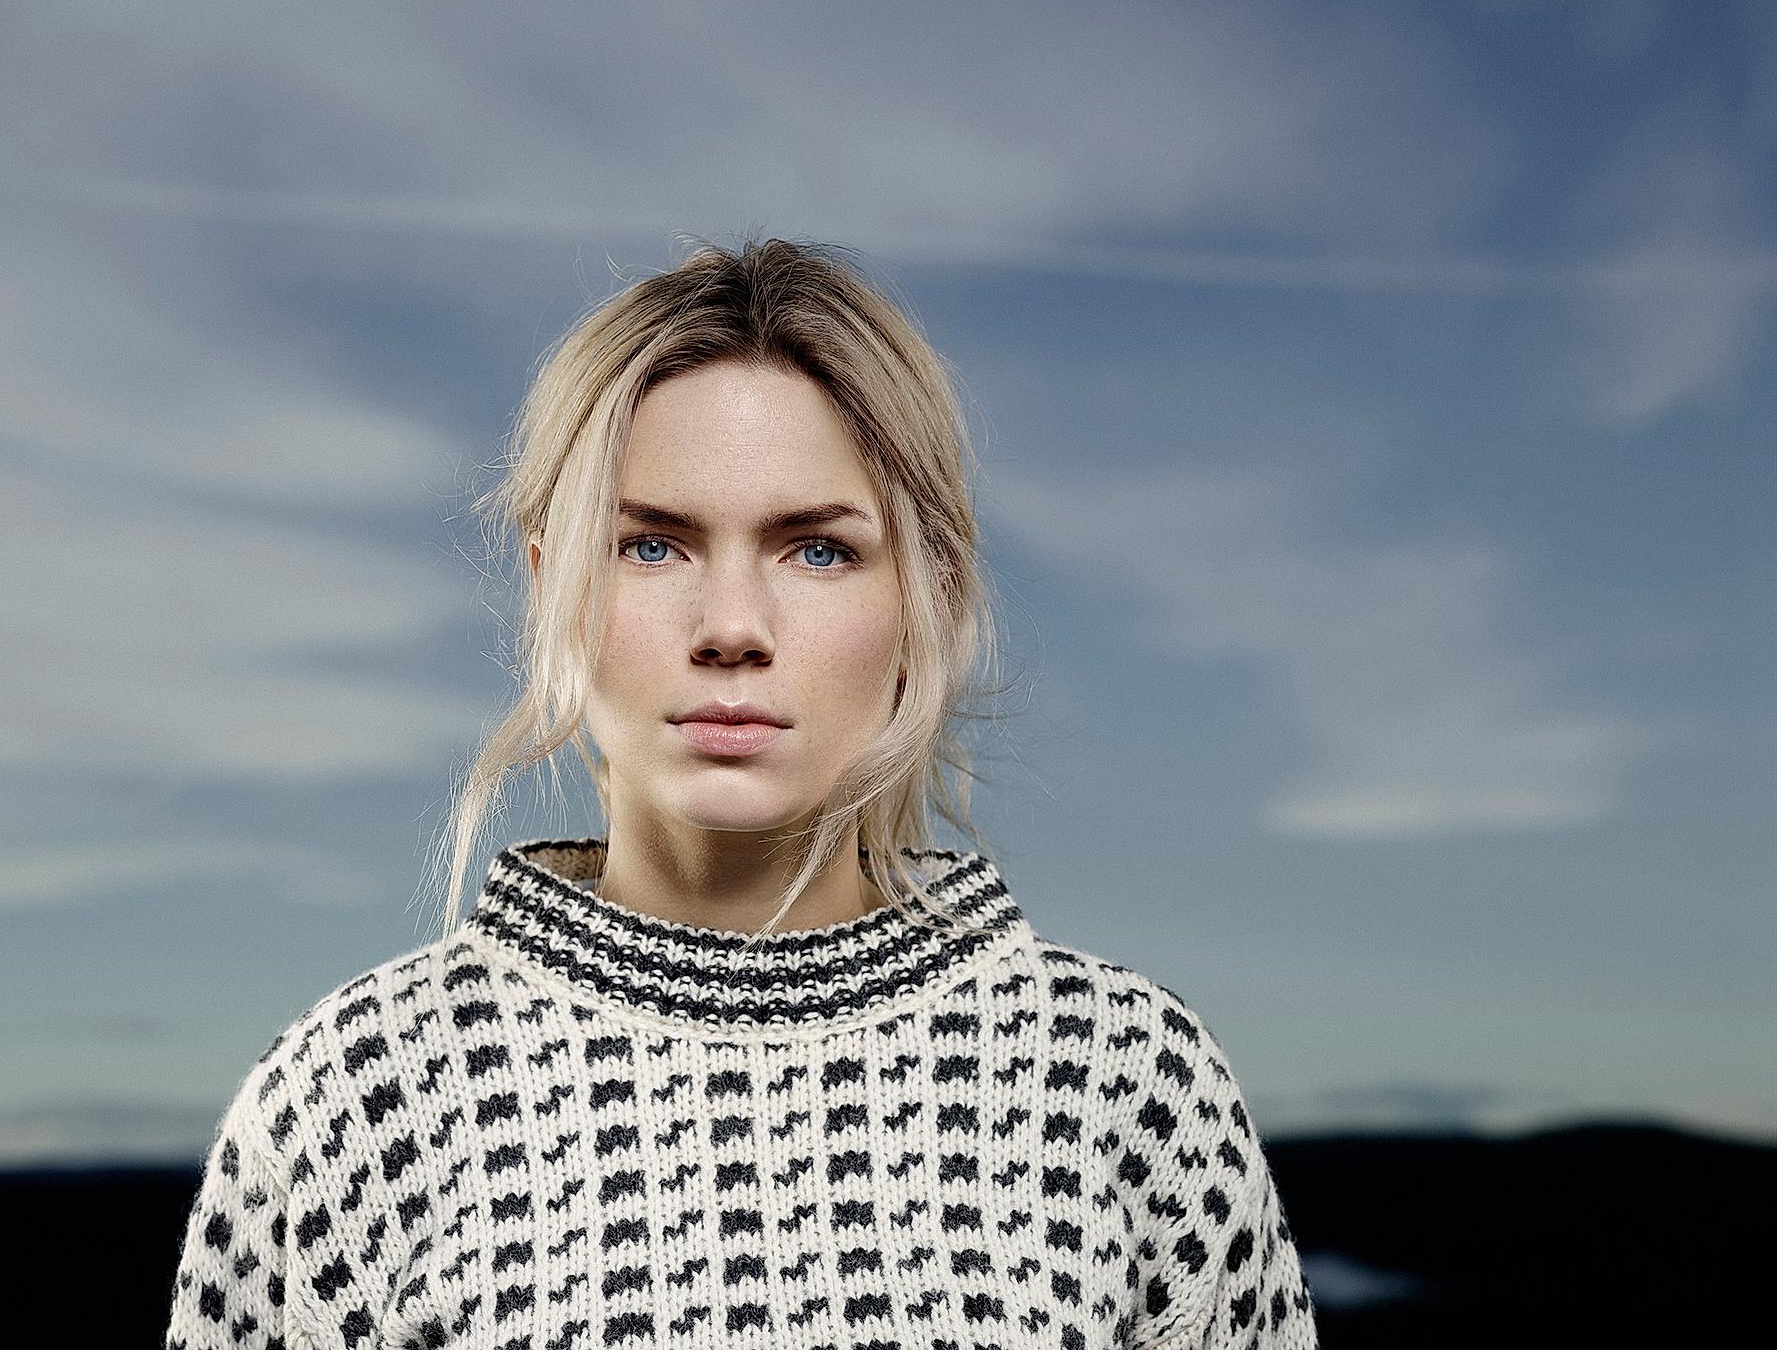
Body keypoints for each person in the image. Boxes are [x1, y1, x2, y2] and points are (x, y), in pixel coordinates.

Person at [163, 236, 1318, 1349]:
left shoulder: (1124, 1079)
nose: (729, 629)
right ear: (545, 584)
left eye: (815, 549)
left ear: (926, 595)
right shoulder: (353, 1097)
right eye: (649, 546)